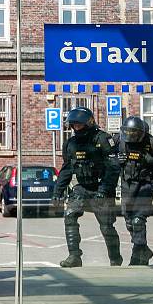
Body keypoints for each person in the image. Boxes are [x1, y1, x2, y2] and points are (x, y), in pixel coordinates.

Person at [51, 107, 122, 267]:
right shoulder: (70, 144)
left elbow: (113, 168)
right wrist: (57, 191)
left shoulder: (103, 139)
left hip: (101, 187)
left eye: (79, 125)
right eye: (74, 125)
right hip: (82, 187)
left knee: (106, 226)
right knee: (69, 215)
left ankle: (115, 259)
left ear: (88, 123)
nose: (76, 128)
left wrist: (104, 190)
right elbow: (67, 169)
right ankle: (74, 256)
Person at [117, 116, 153, 265]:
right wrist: (118, 160)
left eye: (134, 134)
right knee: (129, 220)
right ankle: (143, 249)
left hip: (145, 184)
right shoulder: (121, 142)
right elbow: (109, 158)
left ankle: (138, 255)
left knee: (138, 219)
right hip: (127, 184)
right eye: (128, 133)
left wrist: (148, 160)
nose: (131, 137)